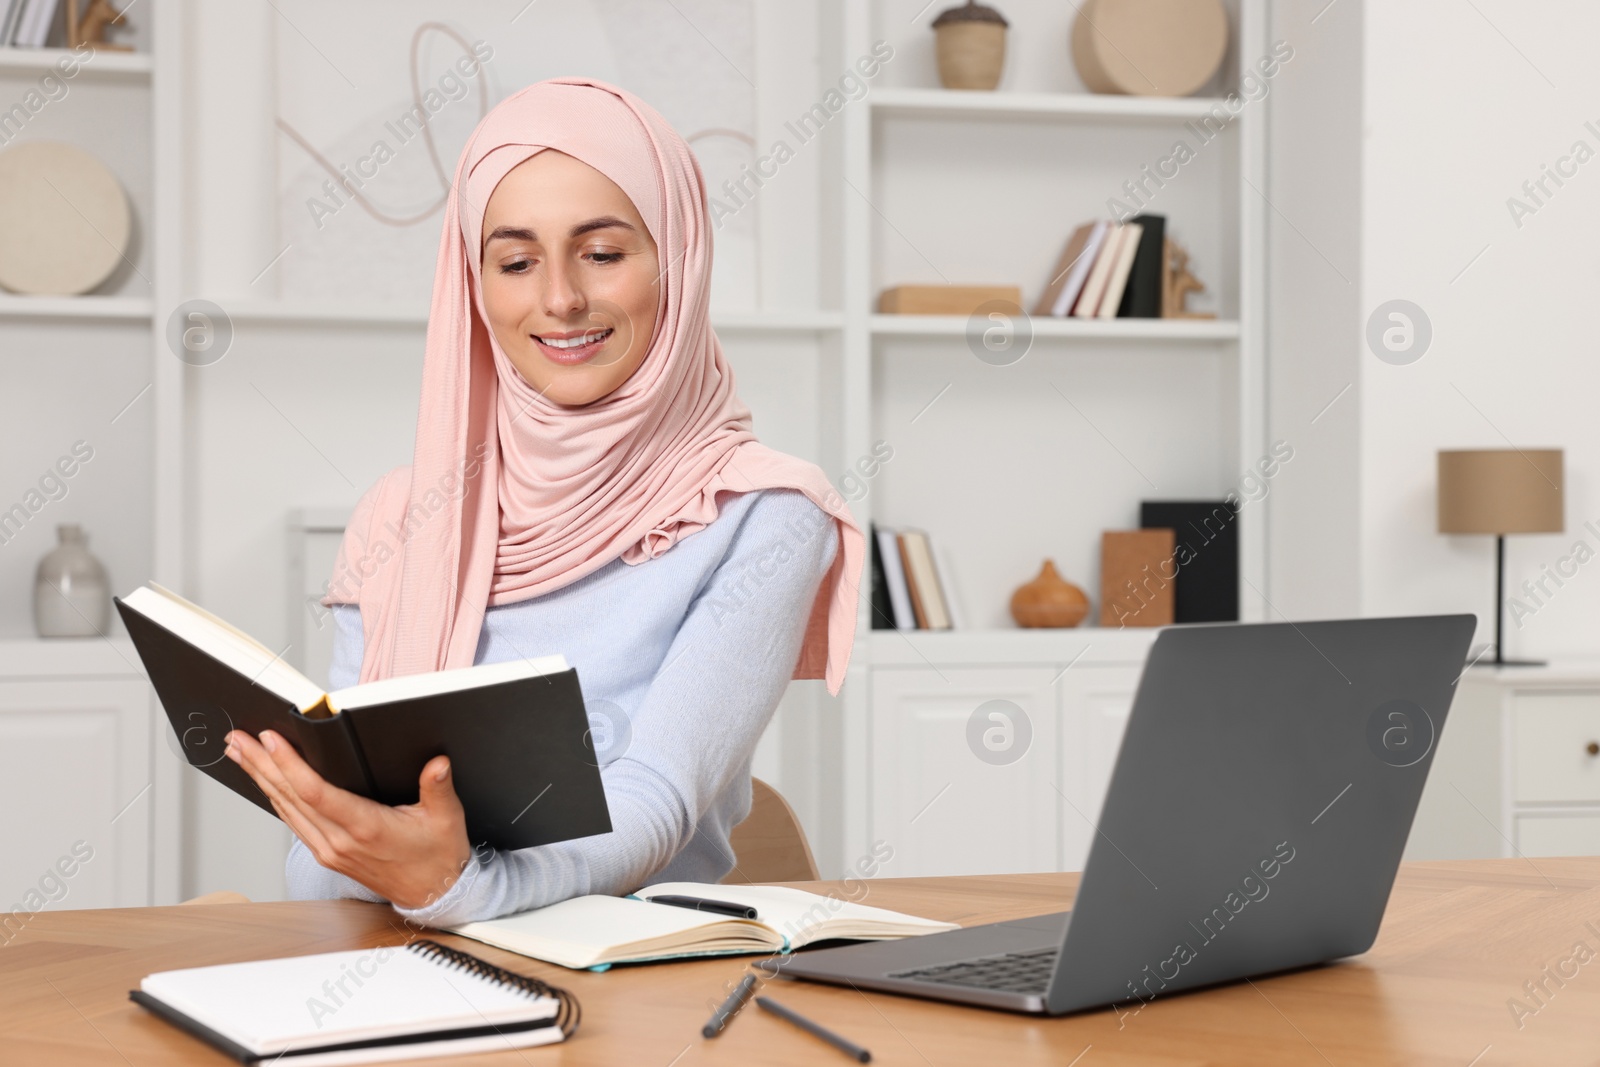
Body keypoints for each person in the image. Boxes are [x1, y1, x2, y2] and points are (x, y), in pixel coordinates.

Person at [220, 77, 864, 928]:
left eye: (602, 253)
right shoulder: (398, 515)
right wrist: (331, 825)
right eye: (516, 262)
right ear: (474, 283)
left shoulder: (767, 515)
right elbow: (323, 863)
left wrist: (460, 886)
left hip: (636, 976)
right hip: (387, 963)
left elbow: (655, 795)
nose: (559, 298)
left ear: (678, 257)